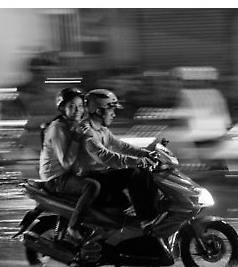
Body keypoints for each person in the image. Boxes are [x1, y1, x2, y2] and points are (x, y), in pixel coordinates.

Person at [74, 88, 162, 233]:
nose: (114, 114)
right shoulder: (86, 131)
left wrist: (145, 154)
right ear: (99, 111)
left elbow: (121, 146)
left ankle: (149, 216)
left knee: (140, 181)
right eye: (111, 110)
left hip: (102, 176)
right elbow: (105, 156)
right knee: (135, 172)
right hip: (90, 179)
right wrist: (137, 161)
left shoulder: (102, 130)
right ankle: (147, 219)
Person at [39, 87, 101, 242]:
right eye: (71, 107)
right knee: (92, 186)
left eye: (80, 106)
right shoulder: (57, 128)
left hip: (68, 174)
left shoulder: (75, 125)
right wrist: (76, 138)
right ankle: (73, 228)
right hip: (56, 178)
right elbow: (66, 163)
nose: (77, 110)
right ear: (62, 108)